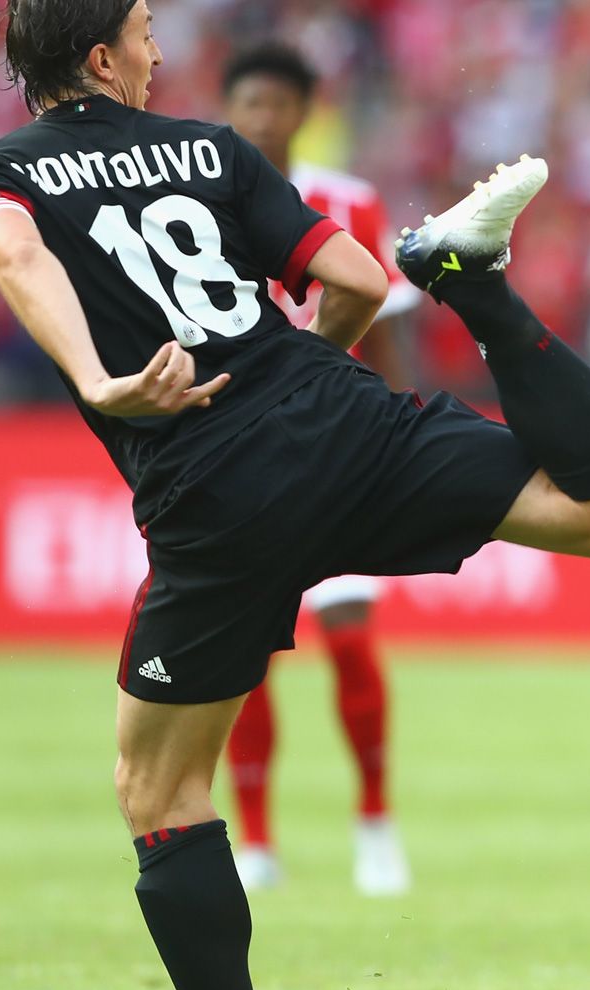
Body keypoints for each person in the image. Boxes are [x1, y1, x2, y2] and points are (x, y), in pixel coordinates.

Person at [0, 2, 590, 990]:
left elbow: (15, 252)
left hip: (216, 495)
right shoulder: (213, 148)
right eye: (144, 31)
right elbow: (357, 280)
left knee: (159, 791)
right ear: (101, 57)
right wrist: (309, 373)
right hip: (343, 420)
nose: (158, 51)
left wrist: (98, 381)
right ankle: (479, 288)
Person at [219, 43, 421, 897]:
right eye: (250, 102)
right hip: (237, 455)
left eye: (278, 103)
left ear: (304, 112)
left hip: (339, 449)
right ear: (230, 109)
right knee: (243, 653)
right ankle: (256, 840)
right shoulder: (198, 194)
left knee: (349, 637)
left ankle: (374, 821)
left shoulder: (350, 202)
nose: (263, 118)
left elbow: (390, 325)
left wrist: (404, 430)